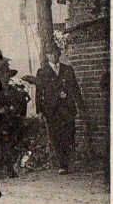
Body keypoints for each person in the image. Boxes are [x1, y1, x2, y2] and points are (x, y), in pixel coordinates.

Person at [35, 45, 87, 174]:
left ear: (59, 54)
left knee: (69, 134)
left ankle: (69, 160)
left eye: (56, 53)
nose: (54, 56)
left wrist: (80, 107)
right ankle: (62, 165)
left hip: (67, 108)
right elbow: (39, 92)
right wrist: (40, 110)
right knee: (56, 136)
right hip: (52, 110)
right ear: (47, 56)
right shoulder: (42, 72)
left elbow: (75, 89)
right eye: (50, 54)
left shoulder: (68, 70)